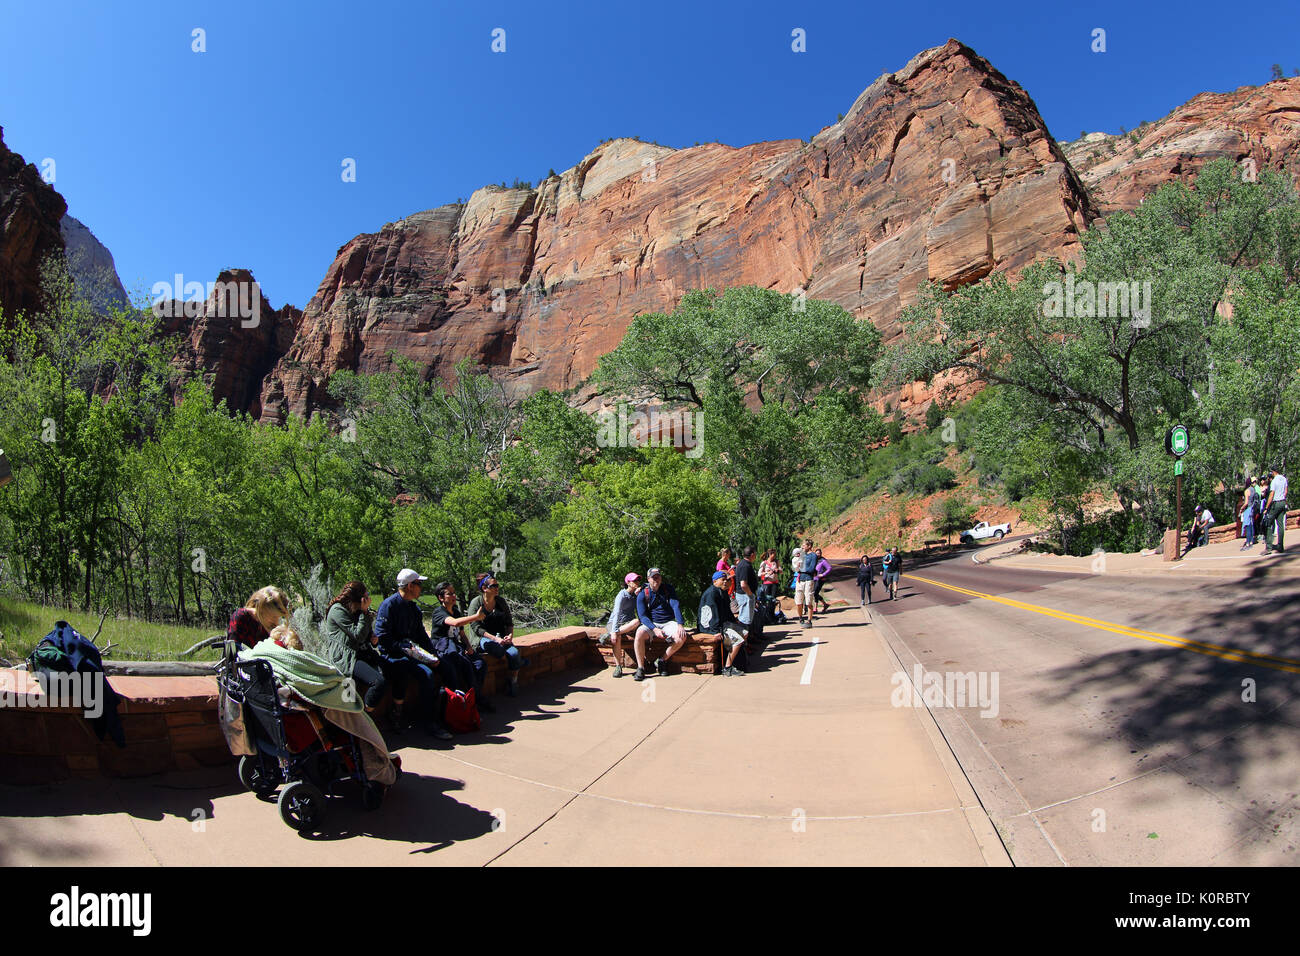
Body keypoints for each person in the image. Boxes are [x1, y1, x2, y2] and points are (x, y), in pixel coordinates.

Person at [374, 568, 453, 740]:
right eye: (419, 584)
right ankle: (428, 722)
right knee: (426, 674)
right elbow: (382, 638)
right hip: (393, 656)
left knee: (447, 668)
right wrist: (404, 649)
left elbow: (421, 636)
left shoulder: (413, 608)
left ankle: (451, 712)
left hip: (412, 653)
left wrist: (433, 656)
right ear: (410, 586)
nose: (421, 588)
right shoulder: (389, 606)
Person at [321, 580, 388, 714]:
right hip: (346, 657)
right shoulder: (338, 610)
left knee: (393, 669)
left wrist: (373, 639)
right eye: (366, 596)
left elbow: (365, 635)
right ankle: (364, 714)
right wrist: (364, 613)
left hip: (363, 653)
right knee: (378, 683)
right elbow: (357, 635)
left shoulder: (358, 610)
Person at [428, 582, 492, 712]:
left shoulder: (456, 611)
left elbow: (461, 633)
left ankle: (474, 696)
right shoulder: (439, 612)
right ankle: (468, 702)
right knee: (465, 666)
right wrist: (476, 617)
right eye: (449, 593)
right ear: (441, 598)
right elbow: (455, 623)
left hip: (456, 646)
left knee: (480, 664)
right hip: (444, 647)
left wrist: (469, 646)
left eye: (454, 592)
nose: (454, 595)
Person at [467, 574, 530, 697]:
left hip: (501, 637)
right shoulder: (476, 603)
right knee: (497, 650)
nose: (497, 588)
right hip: (483, 638)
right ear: (484, 588)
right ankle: (518, 662)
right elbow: (476, 627)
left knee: (514, 653)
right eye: (494, 585)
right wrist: (495, 639)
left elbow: (509, 622)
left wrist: (509, 636)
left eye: (497, 585)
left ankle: (513, 681)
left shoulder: (500, 602)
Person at [632, 567, 688, 681]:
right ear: (648, 579)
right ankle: (641, 668)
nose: (656, 579)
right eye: (653, 577)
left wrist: (680, 624)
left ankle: (662, 660)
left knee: (681, 637)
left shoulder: (668, 589)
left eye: (658, 576)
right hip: (652, 623)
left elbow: (675, 605)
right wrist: (654, 629)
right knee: (639, 634)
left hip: (668, 622)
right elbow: (642, 616)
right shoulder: (643, 593)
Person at [698, 570, 746, 676]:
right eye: (722, 580)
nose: (725, 582)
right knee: (738, 639)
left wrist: (735, 622)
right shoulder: (711, 593)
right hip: (710, 627)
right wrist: (714, 631)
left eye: (726, 580)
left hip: (722, 624)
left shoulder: (722, 591)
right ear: (715, 581)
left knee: (744, 632)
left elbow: (727, 611)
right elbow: (711, 614)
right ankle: (727, 667)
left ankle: (736, 660)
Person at [603, 572, 643, 678]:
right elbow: (616, 612)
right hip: (614, 623)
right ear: (628, 582)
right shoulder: (622, 594)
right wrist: (614, 631)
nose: (637, 582)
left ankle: (612, 634)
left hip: (627, 624)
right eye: (634, 580)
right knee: (617, 637)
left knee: (637, 621)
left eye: (638, 580)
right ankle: (618, 667)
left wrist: (640, 595)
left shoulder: (636, 595)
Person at [734, 545, 759, 639]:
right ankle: (743, 645)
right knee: (745, 621)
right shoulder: (745, 565)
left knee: (747, 620)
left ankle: (747, 643)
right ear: (752, 554)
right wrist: (751, 595)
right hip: (745, 596)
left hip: (745, 595)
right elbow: (743, 584)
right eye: (755, 553)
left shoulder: (743, 564)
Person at [1263, 465, 1288, 555]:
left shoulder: (1274, 481)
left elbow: (1271, 494)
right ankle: (1280, 546)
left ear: (1274, 472)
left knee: (1269, 524)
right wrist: (1282, 498)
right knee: (1280, 525)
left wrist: (1266, 508)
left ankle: (1268, 548)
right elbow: (1285, 491)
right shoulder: (1284, 479)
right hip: (1282, 502)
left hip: (1276, 503)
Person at [794, 540, 818, 627]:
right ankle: (800, 618)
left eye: (804, 545)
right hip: (800, 579)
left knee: (808, 600)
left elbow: (811, 568)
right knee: (798, 601)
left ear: (809, 546)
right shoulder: (801, 555)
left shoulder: (813, 556)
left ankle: (809, 620)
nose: (802, 547)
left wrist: (801, 569)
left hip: (808, 579)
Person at [1240, 480, 1260, 550]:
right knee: (1251, 525)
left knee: (1247, 525)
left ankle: (1248, 543)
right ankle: (1251, 541)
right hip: (1253, 509)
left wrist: (1241, 509)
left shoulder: (1247, 491)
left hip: (1248, 509)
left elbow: (1246, 503)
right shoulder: (1253, 489)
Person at [812, 548, 832, 613]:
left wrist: (823, 574)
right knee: (814, 593)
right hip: (813, 578)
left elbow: (829, 568)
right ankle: (825, 604)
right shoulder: (814, 561)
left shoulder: (823, 561)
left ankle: (815, 608)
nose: (818, 554)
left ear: (821, 554)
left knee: (815, 592)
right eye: (816, 553)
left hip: (820, 579)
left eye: (819, 553)